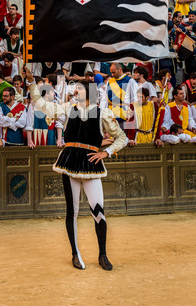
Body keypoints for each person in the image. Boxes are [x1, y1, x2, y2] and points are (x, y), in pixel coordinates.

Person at [25, 66, 127, 271]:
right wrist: (31, 83)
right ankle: (75, 254)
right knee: (72, 211)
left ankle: (103, 254)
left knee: (98, 211)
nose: (74, 91)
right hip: (70, 161)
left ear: (88, 93)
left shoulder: (102, 113)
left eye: (79, 89)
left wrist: (105, 153)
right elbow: (42, 105)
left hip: (91, 163)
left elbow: (122, 138)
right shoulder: (66, 108)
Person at [100, 63, 138, 129]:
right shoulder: (110, 81)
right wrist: (102, 112)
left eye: (113, 72)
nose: (112, 75)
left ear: (120, 70)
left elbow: (134, 99)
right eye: (111, 73)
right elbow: (105, 99)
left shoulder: (130, 81)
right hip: (111, 114)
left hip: (124, 114)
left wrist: (132, 115)